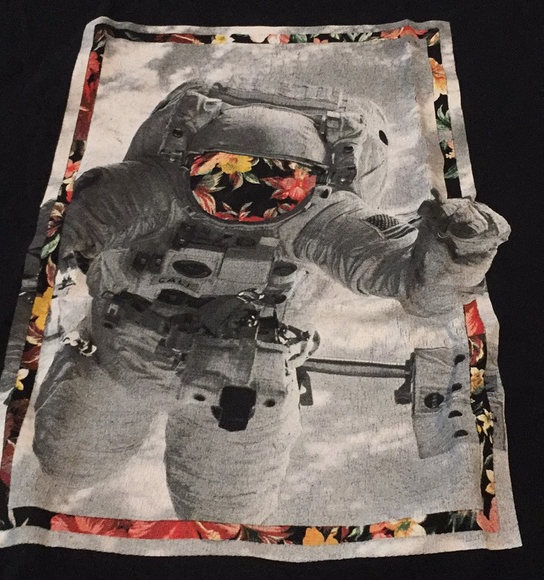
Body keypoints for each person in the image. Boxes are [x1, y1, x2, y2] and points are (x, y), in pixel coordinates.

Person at [32, 80, 510, 523]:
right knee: (66, 460)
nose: (244, 197)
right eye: (226, 176)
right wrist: (16, 338)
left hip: (240, 382)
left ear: (312, 182)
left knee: (223, 515)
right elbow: (45, 247)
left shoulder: (320, 216)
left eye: (274, 185)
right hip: (121, 354)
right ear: (191, 163)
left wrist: (458, 249)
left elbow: (412, 285)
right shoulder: (148, 189)